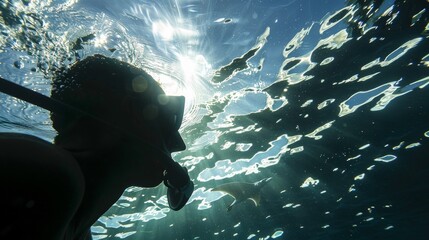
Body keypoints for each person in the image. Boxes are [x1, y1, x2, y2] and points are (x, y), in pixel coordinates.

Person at [0, 54, 193, 240]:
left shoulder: (73, 220)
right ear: (133, 113)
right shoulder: (52, 176)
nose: (180, 145)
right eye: (170, 119)